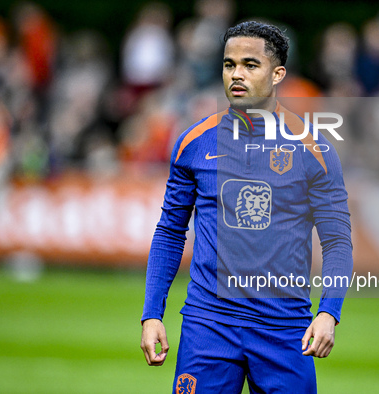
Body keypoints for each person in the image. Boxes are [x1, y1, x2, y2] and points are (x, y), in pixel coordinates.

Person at [141, 21, 353, 393]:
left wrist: (328, 312)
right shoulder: (193, 142)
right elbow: (171, 231)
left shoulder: (314, 151)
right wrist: (152, 314)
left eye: (250, 65)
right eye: (229, 64)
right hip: (207, 326)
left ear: (277, 74)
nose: (236, 74)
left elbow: (337, 241)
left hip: (284, 328)